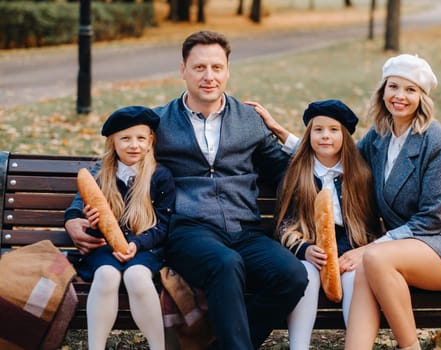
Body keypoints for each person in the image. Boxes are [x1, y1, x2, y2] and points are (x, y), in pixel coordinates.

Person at [66, 30, 308, 350]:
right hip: (187, 231)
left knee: (291, 276)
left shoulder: (249, 120)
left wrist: (281, 132)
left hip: (245, 229)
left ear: (227, 71)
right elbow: (106, 168)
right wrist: (72, 216)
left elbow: (287, 173)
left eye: (217, 68)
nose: (209, 76)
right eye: (199, 68)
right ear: (183, 70)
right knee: (225, 264)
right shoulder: (159, 122)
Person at [256, 54, 441, 350]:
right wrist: (284, 134)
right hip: (398, 250)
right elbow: (335, 155)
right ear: (382, 92)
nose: (399, 96)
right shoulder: (379, 138)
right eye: (393, 87)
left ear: (422, 97)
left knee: (372, 259)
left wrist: (368, 248)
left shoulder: (439, 141)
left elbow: (432, 220)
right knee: (369, 265)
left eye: (410, 89)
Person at [252, 99, 380, 350]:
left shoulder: (359, 174)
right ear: (309, 134)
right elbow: (284, 224)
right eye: (318, 130)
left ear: (344, 136)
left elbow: (369, 225)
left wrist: (353, 253)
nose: (325, 136)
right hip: (309, 244)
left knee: (355, 278)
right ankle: (299, 346)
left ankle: (357, 345)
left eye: (333, 130)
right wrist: (305, 249)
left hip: (350, 246)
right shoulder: (297, 172)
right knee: (306, 275)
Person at [64, 106, 176, 350]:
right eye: (125, 138)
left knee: (137, 276)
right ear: (112, 143)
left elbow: (163, 225)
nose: (133, 145)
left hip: (146, 246)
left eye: (140, 138)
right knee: (106, 275)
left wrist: (136, 244)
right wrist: (92, 225)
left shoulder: (160, 176)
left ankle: (158, 346)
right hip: (105, 248)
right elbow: (94, 228)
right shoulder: (101, 175)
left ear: (150, 141)